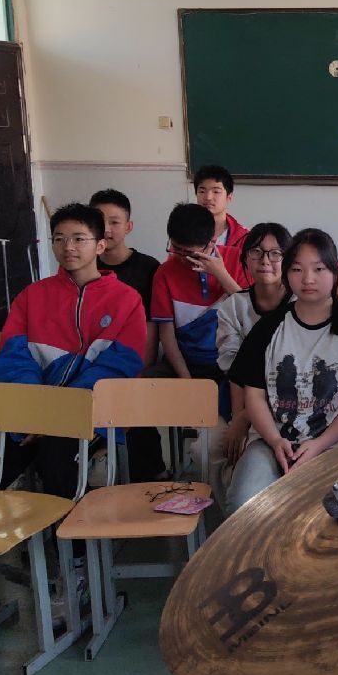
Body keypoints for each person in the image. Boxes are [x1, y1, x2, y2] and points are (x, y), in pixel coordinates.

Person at [0, 203, 146, 500]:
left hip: (87, 413)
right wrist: (37, 411)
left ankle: (69, 531)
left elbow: (119, 367)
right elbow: (12, 359)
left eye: (79, 238)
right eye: (59, 238)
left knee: (57, 461)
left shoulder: (127, 301)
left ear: (100, 245)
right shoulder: (32, 296)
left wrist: (56, 414)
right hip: (25, 408)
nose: (68, 247)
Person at [226, 229, 338, 512]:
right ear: (286, 274)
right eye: (297, 269)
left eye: (319, 269)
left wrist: (319, 444)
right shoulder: (268, 328)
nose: (308, 279)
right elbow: (255, 396)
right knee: (243, 505)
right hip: (273, 442)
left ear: (335, 270)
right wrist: (275, 440)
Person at [90, 188, 164, 479]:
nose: (106, 229)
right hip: (90, 364)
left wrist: (140, 369)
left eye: (115, 222)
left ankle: (151, 474)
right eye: (100, 221)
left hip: (133, 362)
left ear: (129, 227)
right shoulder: (82, 266)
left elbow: (152, 326)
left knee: (134, 401)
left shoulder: (148, 268)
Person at [215, 222, 292, 489]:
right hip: (238, 397)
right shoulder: (233, 306)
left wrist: (246, 417)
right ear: (245, 258)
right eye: (256, 252)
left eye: (275, 253)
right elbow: (235, 367)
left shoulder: (299, 305)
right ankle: (232, 510)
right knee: (212, 449)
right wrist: (239, 418)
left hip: (288, 400)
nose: (265, 260)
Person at [151, 203, 236, 386]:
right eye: (176, 249)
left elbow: (250, 311)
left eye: (190, 253)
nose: (182, 258)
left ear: (212, 241)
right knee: (150, 384)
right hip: (184, 361)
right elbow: (167, 334)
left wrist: (221, 275)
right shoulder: (164, 273)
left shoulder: (237, 260)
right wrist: (187, 381)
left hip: (230, 360)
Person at [194, 163, 250, 290]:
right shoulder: (184, 233)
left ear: (229, 197)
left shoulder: (245, 238)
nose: (208, 197)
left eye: (216, 191)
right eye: (202, 191)